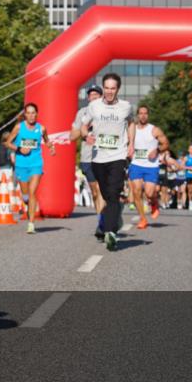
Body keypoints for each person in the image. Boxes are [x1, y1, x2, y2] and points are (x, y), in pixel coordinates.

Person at [71, 72, 134, 251]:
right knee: (106, 195)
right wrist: (86, 135)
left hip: (118, 156)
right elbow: (83, 126)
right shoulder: (94, 106)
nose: (109, 92)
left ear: (118, 89)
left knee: (113, 193)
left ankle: (110, 232)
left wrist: (131, 144)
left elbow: (131, 123)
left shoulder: (125, 106)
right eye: (106, 88)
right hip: (98, 157)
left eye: (112, 89)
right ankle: (115, 218)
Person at [6, 102, 55, 234]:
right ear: (25, 115)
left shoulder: (42, 128)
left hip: (36, 164)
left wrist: (51, 147)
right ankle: (28, 204)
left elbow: (46, 140)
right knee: (26, 194)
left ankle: (31, 223)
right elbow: (7, 143)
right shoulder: (18, 128)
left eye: (33, 113)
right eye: (28, 113)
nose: (31, 116)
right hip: (21, 164)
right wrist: (19, 149)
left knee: (33, 192)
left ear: (37, 114)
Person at [128, 104, 170, 230]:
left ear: (148, 115)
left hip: (151, 166)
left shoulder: (154, 130)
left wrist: (157, 150)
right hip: (136, 164)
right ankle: (143, 219)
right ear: (137, 115)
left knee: (149, 193)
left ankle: (154, 203)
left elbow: (166, 144)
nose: (143, 115)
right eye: (141, 113)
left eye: (145, 113)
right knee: (136, 191)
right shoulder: (132, 129)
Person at [72, 84, 106, 234]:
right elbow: (72, 136)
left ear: (101, 97)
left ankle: (103, 223)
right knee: (95, 192)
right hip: (87, 157)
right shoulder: (82, 113)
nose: (94, 97)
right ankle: (102, 219)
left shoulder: (108, 112)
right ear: (88, 98)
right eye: (91, 95)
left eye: (96, 95)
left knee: (102, 190)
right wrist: (85, 128)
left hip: (105, 156)